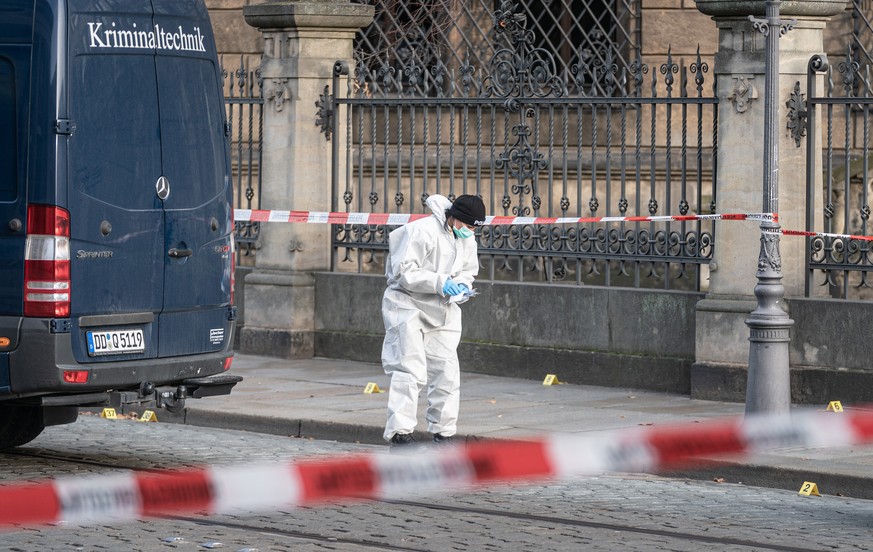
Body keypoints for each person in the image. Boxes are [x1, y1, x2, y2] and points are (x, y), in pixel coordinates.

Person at [381, 193, 487, 448]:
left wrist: (460, 286)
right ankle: (400, 432)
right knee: (409, 369)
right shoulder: (423, 231)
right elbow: (404, 272)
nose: (471, 232)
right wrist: (441, 282)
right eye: (470, 226)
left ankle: (444, 432)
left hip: (443, 307)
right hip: (407, 305)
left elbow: (468, 271)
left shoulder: (466, 238)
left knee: (447, 372)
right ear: (456, 218)